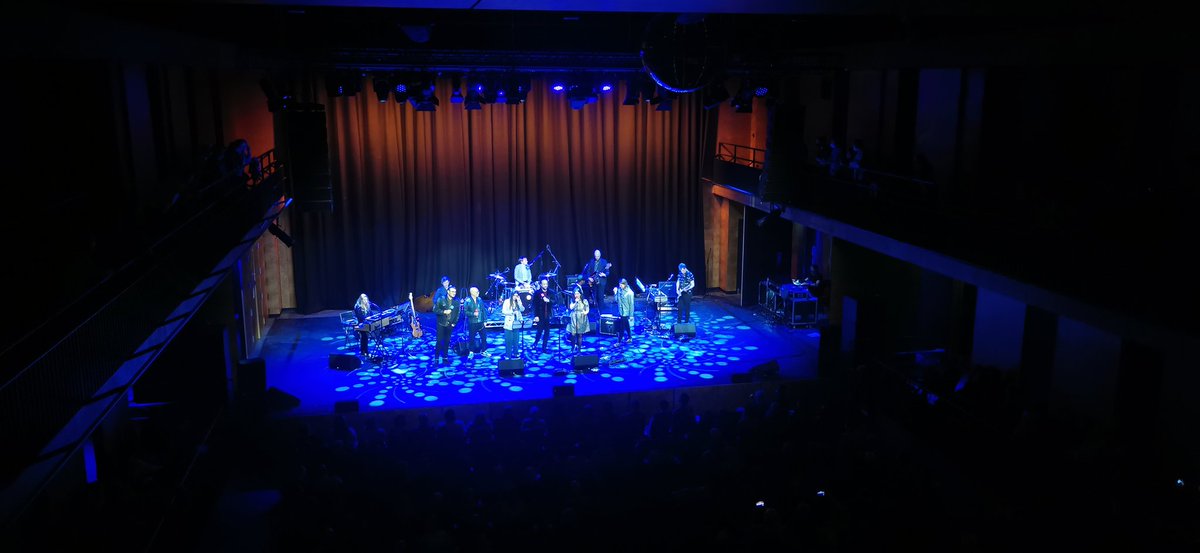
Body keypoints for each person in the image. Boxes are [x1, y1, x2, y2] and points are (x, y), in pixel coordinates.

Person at [434, 285, 459, 363]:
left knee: (447, 342)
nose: (454, 293)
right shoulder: (441, 299)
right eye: (452, 291)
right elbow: (435, 309)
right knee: (439, 341)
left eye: (455, 291)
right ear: (448, 292)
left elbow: (457, 313)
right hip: (441, 324)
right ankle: (436, 358)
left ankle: (445, 357)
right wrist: (444, 312)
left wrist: (454, 323)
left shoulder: (456, 301)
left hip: (450, 324)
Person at [463, 286, 489, 359]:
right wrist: (473, 314)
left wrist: (485, 320)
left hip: (480, 322)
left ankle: (484, 350)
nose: (478, 293)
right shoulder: (468, 301)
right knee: (472, 338)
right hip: (472, 322)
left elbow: (483, 310)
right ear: (472, 293)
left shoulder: (480, 300)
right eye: (476, 292)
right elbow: (465, 312)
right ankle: (471, 352)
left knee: (484, 337)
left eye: (478, 291)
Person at [532, 278, 554, 351]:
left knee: (547, 332)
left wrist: (549, 301)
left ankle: (544, 347)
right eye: (544, 284)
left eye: (546, 284)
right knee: (539, 331)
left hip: (548, 315)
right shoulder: (537, 293)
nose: (545, 285)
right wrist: (535, 316)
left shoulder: (551, 292)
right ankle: (535, 343)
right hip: (540, 315)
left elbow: (555, 301)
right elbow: (534, 305)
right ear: (541, 284)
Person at [502, 290, 524, 358]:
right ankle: (508, 354)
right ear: (511, 295)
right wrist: (511, 312)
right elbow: (503, 311)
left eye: (517, 296)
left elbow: (522, 309)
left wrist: (519, 302)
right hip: (509, 323)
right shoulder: (507, 301)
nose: (515, 297)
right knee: (508, 340)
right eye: (514, 295)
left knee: (516, 340)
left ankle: (516, 353)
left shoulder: (518, 302)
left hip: (516, 323)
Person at [613, 278, 635, 344]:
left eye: (621, 285)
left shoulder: (630, 293)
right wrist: (615, 293)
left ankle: (618, 342)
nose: (620, 286)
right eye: (619, 285)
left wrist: (631, 316)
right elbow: (616, 300)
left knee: (621, 328)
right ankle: (630, 337)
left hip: (625, 313)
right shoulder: (619, 291)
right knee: (626, 325)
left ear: (625, 284)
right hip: (620, 312)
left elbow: (631, 305)